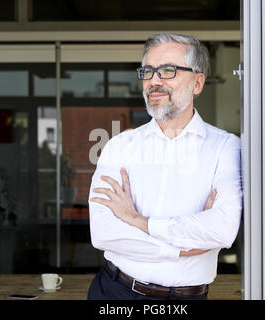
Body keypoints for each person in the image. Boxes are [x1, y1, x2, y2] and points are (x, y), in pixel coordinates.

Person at [87, 33, 242, 300]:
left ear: (197, 83)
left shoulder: (226, 147)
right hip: (116, 292)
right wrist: (182, 249)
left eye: (168, 70)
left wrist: (138, 221)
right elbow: (104, 233)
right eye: (147, 71)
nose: (154, 80)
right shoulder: (119, 147)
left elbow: (222, 229)